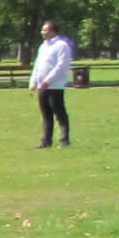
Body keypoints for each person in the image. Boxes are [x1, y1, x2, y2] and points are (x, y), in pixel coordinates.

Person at [29, 20, 74, 148]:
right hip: (42, 86)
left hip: (55, 86)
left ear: (52, 31)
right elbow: (37, 65)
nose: (42, 32)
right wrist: (33, 81)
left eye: (45, 30)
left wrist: (47, 81)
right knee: (46, 114)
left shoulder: (61, 46)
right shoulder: (43, 47)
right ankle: (45, 141)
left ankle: (64, 140)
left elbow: (61, 66)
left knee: (59, 113)